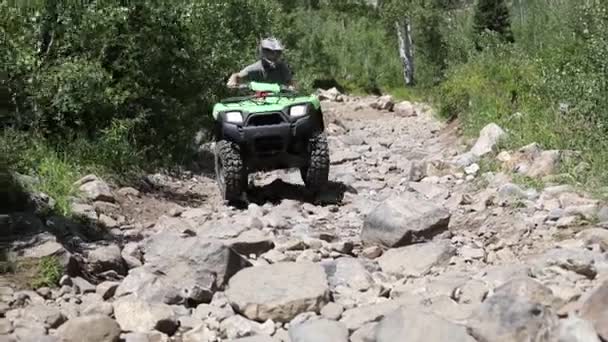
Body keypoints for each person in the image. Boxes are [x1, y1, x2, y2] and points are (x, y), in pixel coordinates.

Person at [227, 37, 296, 89]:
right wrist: (232, 81)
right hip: (258, 101)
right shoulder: (255, 68)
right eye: (269, 51)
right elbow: (237, 75)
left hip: (280, 100)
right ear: (263, 52)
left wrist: (291, 88)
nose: (274, 55)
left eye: (277, 52)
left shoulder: (282, 67)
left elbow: (290, 82)